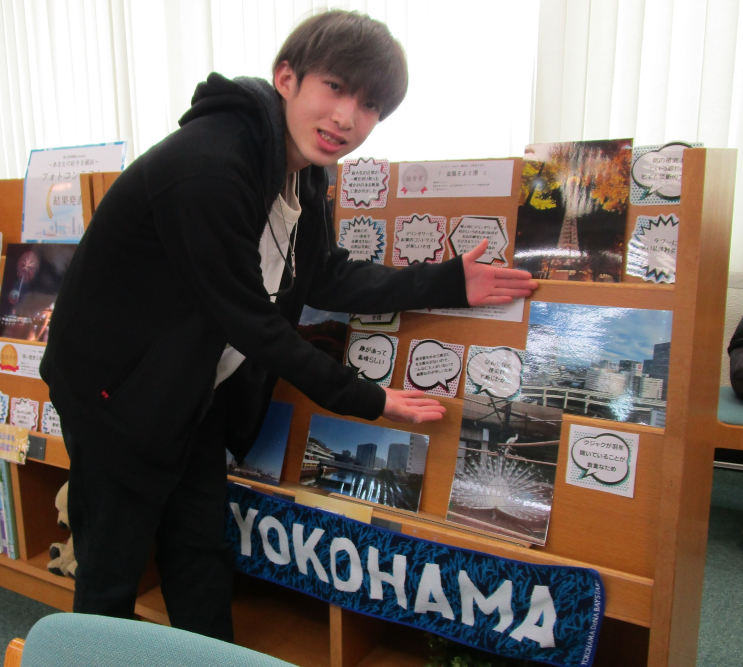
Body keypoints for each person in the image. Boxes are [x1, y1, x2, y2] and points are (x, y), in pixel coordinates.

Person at [40, 9, 537, 643]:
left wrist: (446, 283)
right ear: (286, 78)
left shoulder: (302, 170)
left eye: (370, 105)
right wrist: (367, 399)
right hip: (116, 390)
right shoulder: (212, 165)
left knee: (199, 545)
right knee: (112, 565)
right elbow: (250, 319)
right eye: (335, 88)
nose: (347, 118)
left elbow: (322, 274)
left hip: (188, 382)